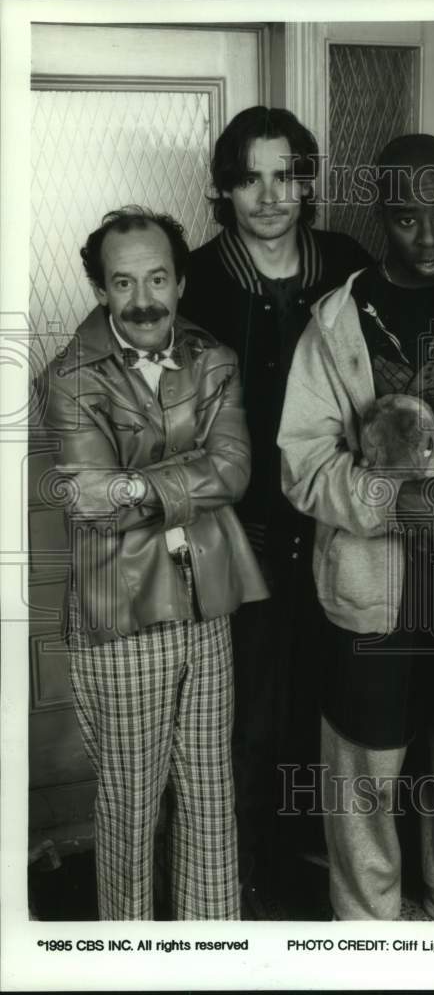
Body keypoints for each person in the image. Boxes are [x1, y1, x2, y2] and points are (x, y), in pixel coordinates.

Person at [278, 134, 434, 920]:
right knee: (366, 765)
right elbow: (302, 464)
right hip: (374, 584)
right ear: (381, 214)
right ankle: (369, 921)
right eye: (409, 217)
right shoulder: (338, 319)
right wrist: (393, 503)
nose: (428, 236)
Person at [43, 206, 268, 920]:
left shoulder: (215, 357)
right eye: (123, 282)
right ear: (101, 288)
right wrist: (179, 478)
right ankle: (130, 957)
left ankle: (211, 952)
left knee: (210, 794)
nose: (143, 300)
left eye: (158, 279)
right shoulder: (69, 378)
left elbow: (233, 472)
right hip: (124, 611)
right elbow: (92, 504)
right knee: (132, 803)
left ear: (179, 281)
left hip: (207, 604)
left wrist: (137, 482)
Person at [178, 107, 371, 910]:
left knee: (328, 703)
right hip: (240, 533)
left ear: (307, 182)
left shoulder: (347, 265)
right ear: (224, 186)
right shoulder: (200, 278)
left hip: (338, 523)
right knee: (246, 713)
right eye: (250, 177)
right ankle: (246, 872)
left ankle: (312, 857)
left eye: (285, 175)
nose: (269, 196)